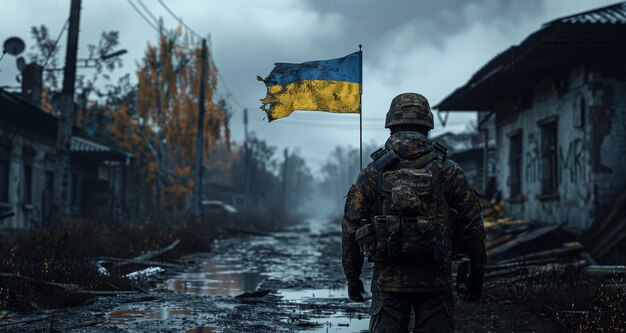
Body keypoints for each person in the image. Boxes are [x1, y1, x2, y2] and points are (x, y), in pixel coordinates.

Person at [341, 92, 486, 332]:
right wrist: (476, 274)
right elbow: (473, 225)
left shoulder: (372, 172)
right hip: (435, 283)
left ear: (391, 127)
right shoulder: (449, 170)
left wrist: (353, 277)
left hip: (387, 283)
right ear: (427, 127)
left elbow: (351, 226)